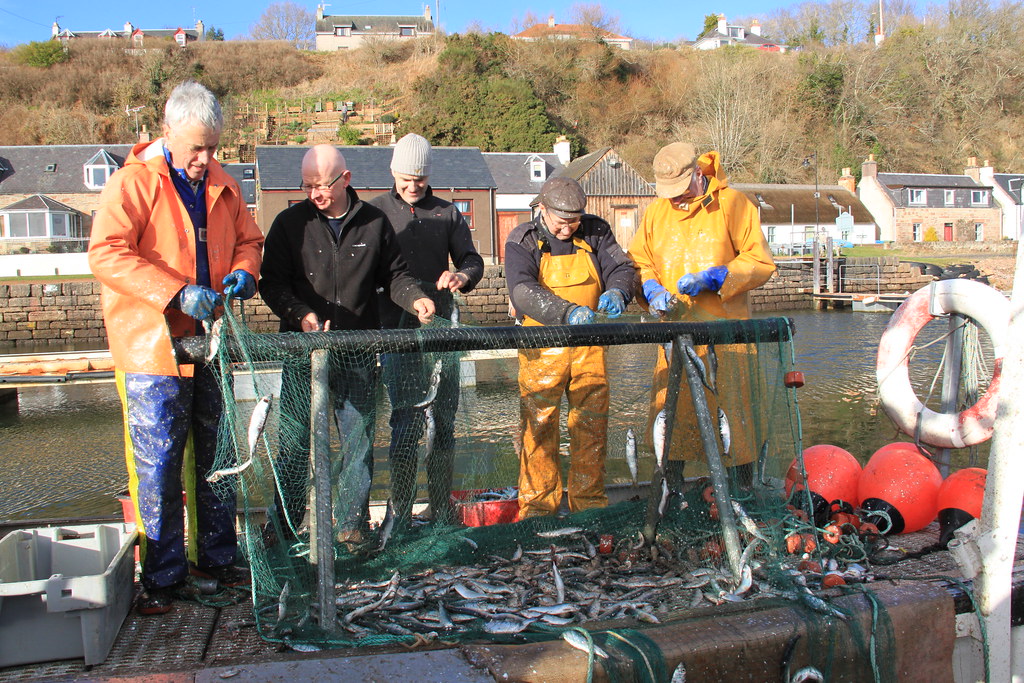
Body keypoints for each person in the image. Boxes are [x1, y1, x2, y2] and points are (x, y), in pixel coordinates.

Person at [88, 81, 265, 615]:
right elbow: (106, 254)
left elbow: (249, 242)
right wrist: (174, 290)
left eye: (212, 148)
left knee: (220, 455)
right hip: (152, 348)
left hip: (209, 343)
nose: (205, 159)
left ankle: (216, 559)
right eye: (195, 149)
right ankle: (162, 579)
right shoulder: (130, 184)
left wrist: (242, 274)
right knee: (159, 462)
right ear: (166, 134)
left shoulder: (225, 186)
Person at [259, 144, 435, 548]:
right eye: (309, 186)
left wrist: (414, 299)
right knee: (293, 441)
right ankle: (284, 527)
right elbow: (272, 284)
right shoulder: (289, 224)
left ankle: (351, 526)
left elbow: (395, 277)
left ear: (346, 179)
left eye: (324, 185)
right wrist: (300, 314)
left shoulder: (374, 223)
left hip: (357, 350)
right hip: (303, 351)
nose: (317, 194)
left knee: (357, 441)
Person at [628, 142, 776, 489]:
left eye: (680, 191)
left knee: (735, 427)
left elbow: (760, 262)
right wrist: (650, 288)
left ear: (698, 173)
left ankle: (742, 495)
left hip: (727, 340)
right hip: (674, 338)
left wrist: (719, 276)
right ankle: (671, 496)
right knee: (671, 422)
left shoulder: (735, 204)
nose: (675, 199)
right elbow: (639, 261)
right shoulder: (655, 213)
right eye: (668, 194)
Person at [369, 134, 485, 525]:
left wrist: (461, 276)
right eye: (405, 179)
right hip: (396, 332)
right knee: (404, 422)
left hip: (441, 334)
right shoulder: (376, 212)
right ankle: (399, 509)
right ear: (392, 172)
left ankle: (440, 506)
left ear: (428, 176)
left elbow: (472, 260)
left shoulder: (447, 212)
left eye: (419, 179)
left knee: (443, 422)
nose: (412, 186)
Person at [505, 176, 635, 518]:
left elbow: (621, 267)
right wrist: (566, 312)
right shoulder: (523, 240)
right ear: (543, 210)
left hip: (590, 347)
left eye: (574, 222)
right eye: (562, 223)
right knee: (538, 428)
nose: (568, 229)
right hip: (540, 348)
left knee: (591, 427)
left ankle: (589, 505)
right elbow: (521, 290)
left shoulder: (596, 231)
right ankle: (537, 508)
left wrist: (619, 291)